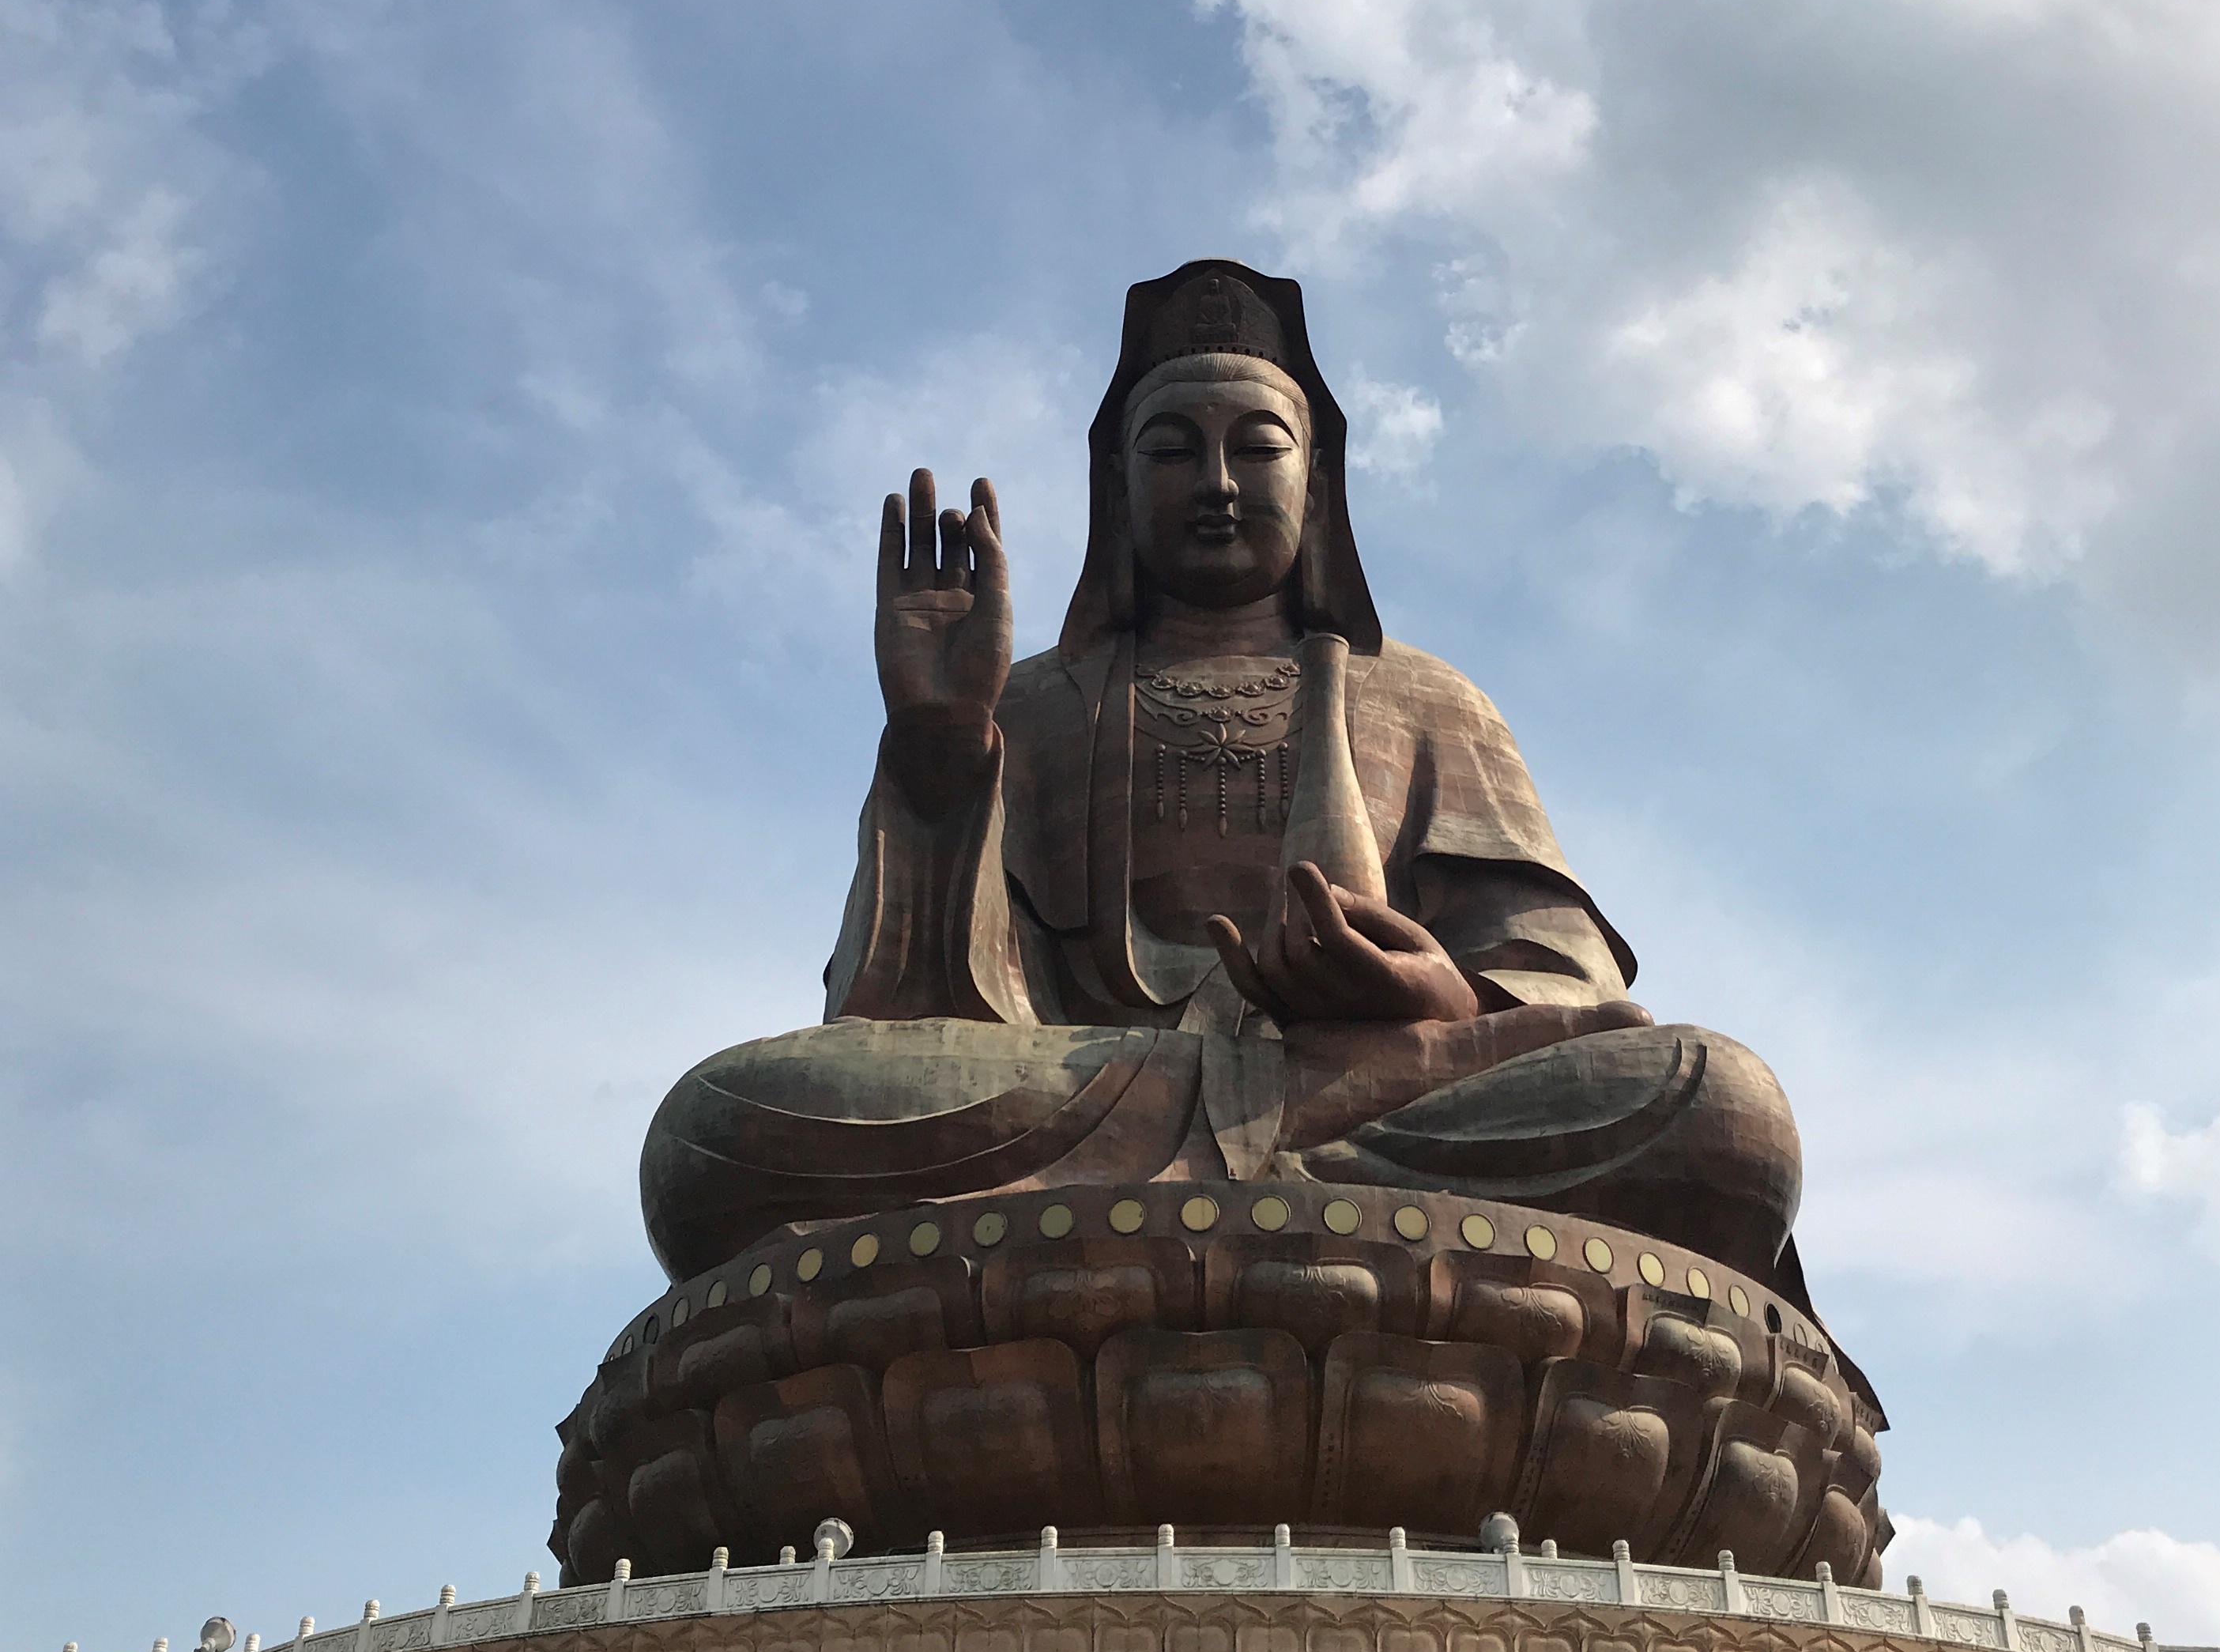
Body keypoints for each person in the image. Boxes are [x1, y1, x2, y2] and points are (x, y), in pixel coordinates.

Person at [642, 261, 1806, 1299]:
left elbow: (1558, 973)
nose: (1215, 481)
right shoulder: (1038, 703)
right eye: (1170, 449)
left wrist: (1436, 999)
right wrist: (943, 746)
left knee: (1716, 1103)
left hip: (1370, 1087)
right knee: (714, 1133)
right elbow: (907, 1010)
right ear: (1117, 485)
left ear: (1318, 480)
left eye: (1256, 446)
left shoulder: (1429, 700)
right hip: (1087, 1091)